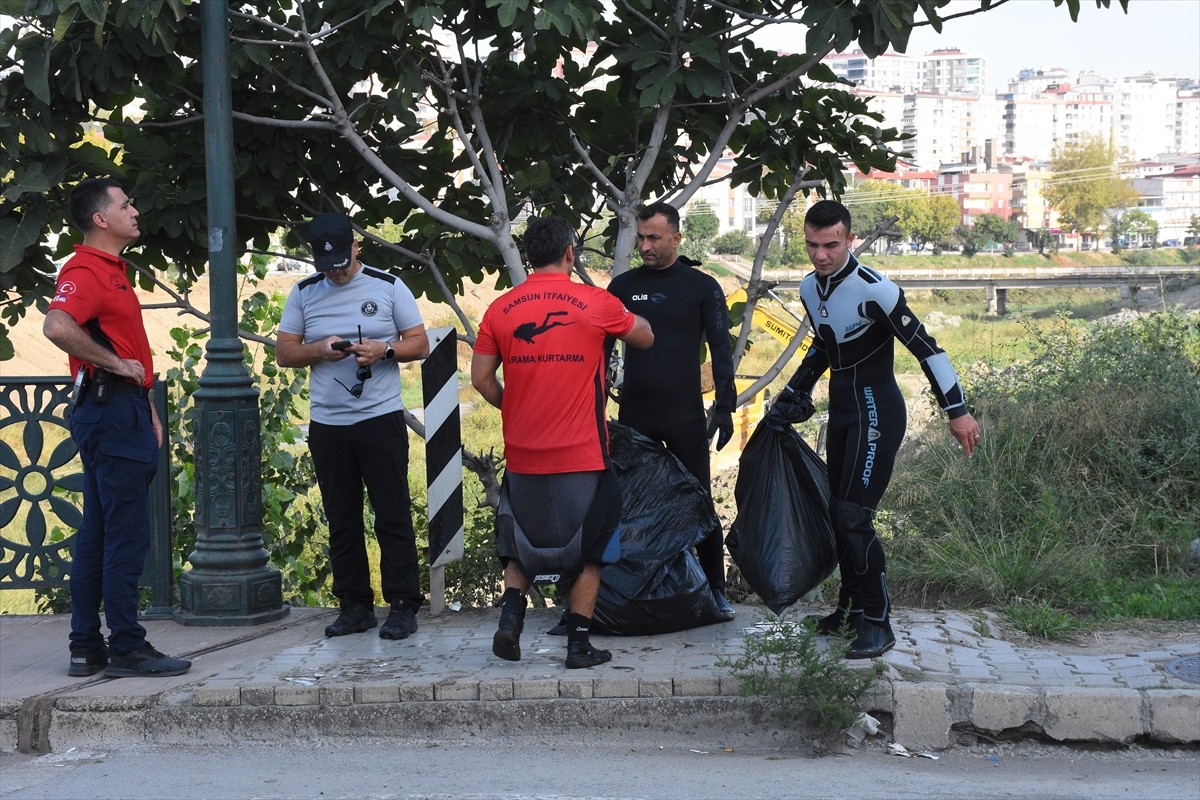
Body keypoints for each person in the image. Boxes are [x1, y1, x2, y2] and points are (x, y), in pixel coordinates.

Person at [767, 199, 981, 659]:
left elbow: (928, 349)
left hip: (876, 412)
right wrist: (792, 395)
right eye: (811, 245)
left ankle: (878, 622)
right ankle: (848, 611)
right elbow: (823, 349)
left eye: (830, 245)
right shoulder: (809, 288)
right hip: (842, 412)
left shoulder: (875, 290)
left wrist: (957, 411)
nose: (820, 255)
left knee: (853, 516)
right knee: (837, 512)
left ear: (849, 239)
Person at [471, 215, 653, 669]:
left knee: (521, 540)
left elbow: (479, 379)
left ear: (529, 257)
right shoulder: (596, 302)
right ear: (570, 253)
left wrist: (514, 407)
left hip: (524, 455)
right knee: (591, 547)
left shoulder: (501, 309)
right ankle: (578, 645)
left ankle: (510, 621)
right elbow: (645, 336)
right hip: (583, 455)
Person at [43, 178, 191, 678]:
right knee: (125, 535)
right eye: (125, 204)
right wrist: (119, 366)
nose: (135, 210)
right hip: (109, 413)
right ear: (101, 220)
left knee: (99, 532)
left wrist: (142, 396)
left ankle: (85, 646)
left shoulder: (109, 270)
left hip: (118, 409)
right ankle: (127, 644)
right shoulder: (86, 270)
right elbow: (58, 327)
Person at [276, 212, 430, 640]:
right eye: (327, 266)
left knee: (392, 512)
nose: (337, 272)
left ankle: (403, 604)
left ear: (356, 247)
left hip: (379, 418)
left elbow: (419, 341)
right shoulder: (304, 293)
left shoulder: (388, 286)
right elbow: (284, 353)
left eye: (342, 262)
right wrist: (318, 350)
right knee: (341, 516)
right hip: (328, 423)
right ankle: (355, 605)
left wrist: (384, 351)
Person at [606, 201, 738, 619]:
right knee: (624, 504)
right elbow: (600, 351)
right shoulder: (622, 287)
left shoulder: (701, 286)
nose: (645, 245)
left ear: (677, 238)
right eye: (641, 237)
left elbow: (720, 348)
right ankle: (620, 593)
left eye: (654, 238)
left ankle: (715, 588)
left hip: (683, 411)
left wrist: (726, 405)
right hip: (636, 412)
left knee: (698, 498)